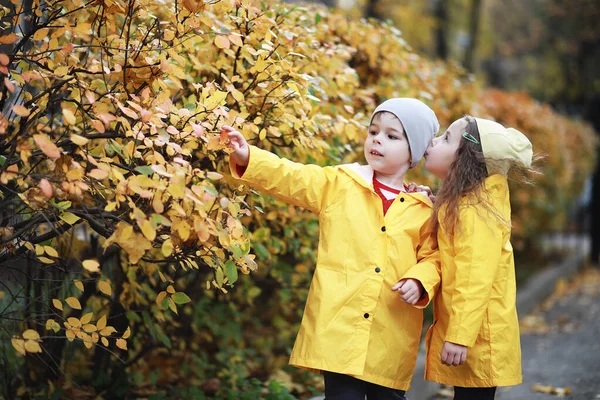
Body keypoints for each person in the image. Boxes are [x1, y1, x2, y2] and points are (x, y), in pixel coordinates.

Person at [224, 98, 441, 399]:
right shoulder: (341, 183)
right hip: (339, 325)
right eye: (373, 131)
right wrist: (249, 157)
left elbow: (433, 257)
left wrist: (420, 280)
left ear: (413, 153)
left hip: (390, 332)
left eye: (392, 136)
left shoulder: (423, 208)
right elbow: (293, 177)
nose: (378, 139)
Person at [420, 115, 531, 400]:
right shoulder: (470, 204)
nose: (434, 142)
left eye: (446, 139)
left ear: (466, 159)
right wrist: (434, 205)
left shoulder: (476, 212)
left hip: (478, 335)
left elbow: (475, 276)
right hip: (475, 332)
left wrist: (459, 336)